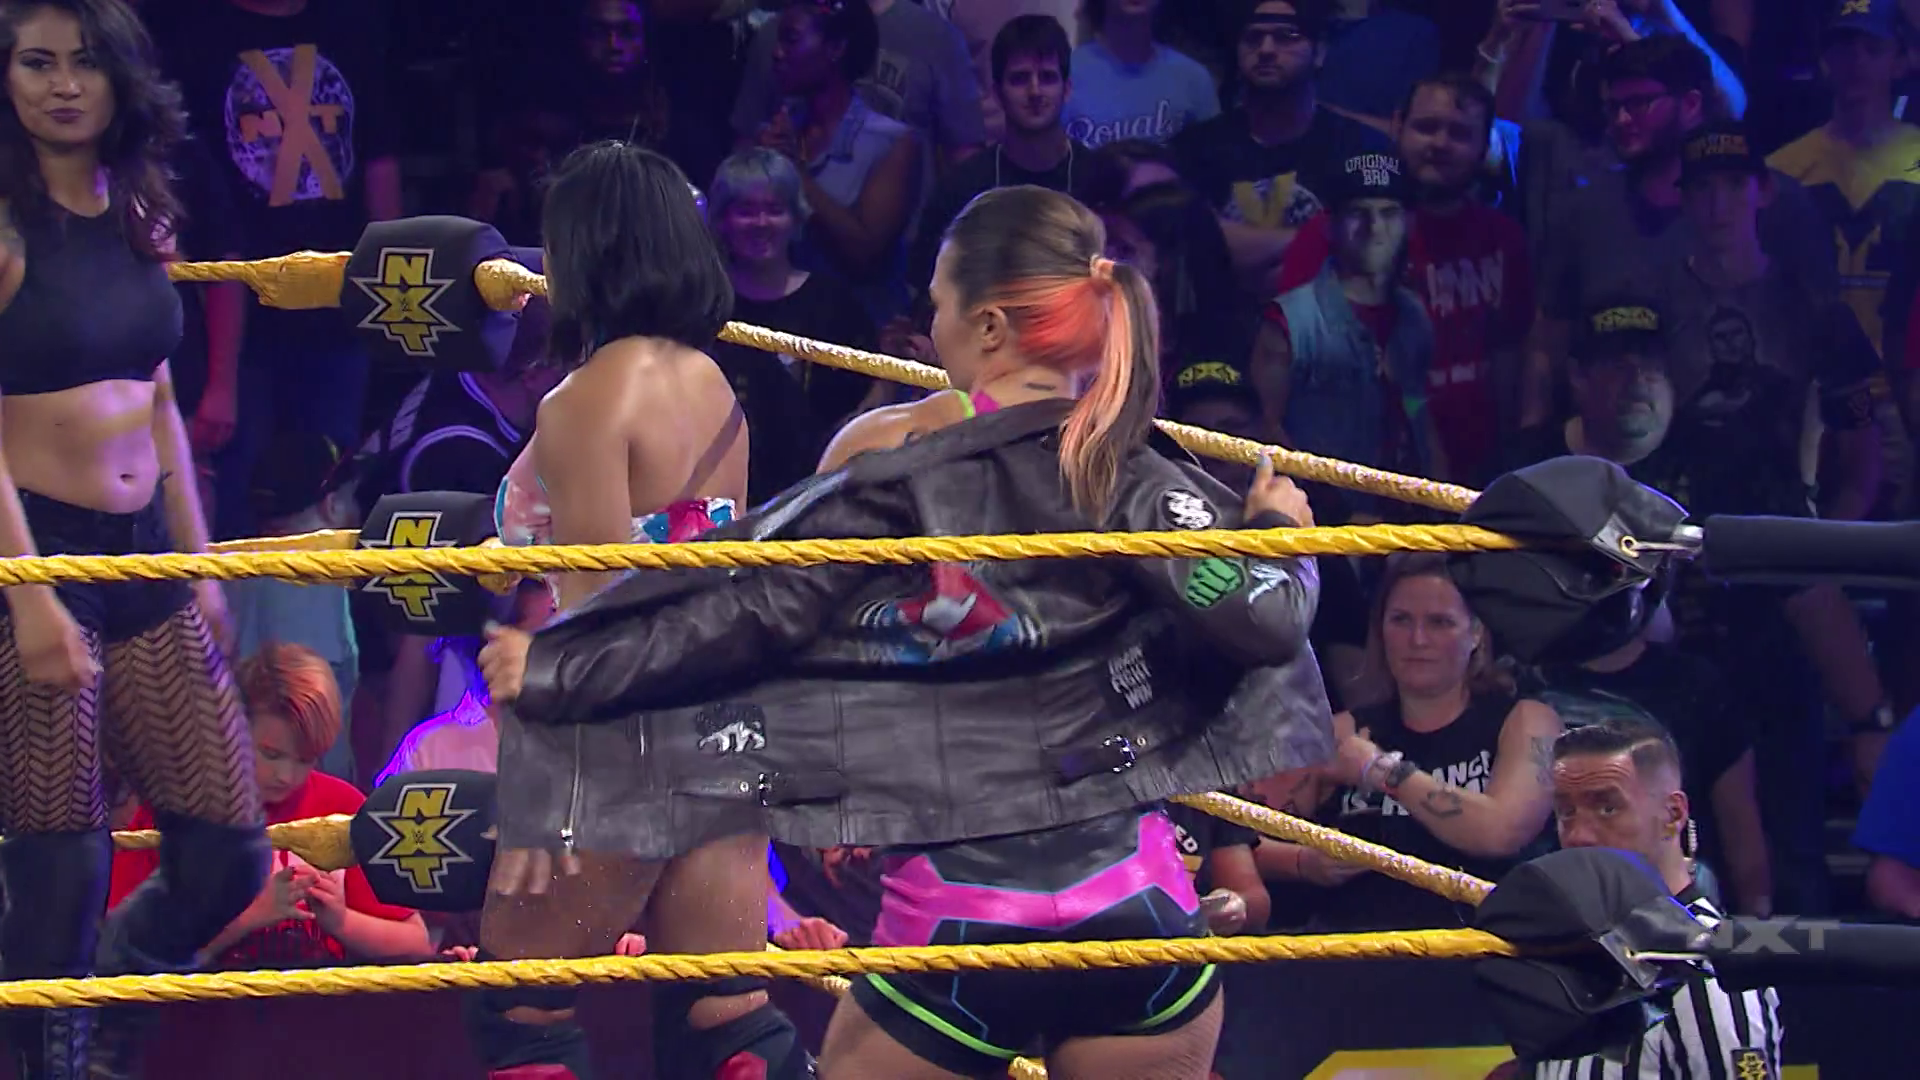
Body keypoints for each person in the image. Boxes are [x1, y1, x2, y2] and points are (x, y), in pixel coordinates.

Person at [478, 184, 1335, 1080]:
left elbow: (751, 620)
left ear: (990, 325)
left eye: (939, 303)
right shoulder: (1142, 477)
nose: (930, 327)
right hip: (1138, 915)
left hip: (966, 919)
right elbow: (1268, 618)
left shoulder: (884, 465)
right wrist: (1281, 537)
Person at [473, 140, 789, 1080]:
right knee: (726, 1020)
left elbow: (598, 613)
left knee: (519, 1006)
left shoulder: (585, 402)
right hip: (726, 722)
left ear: (585, 250)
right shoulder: (711, 381)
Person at [0, 2, 269, 1075]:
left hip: (145, 546)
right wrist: (27, 593)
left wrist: (196, 561)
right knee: (58, 868)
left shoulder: (140, 207)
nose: (62, 85)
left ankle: (109, 1005)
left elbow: (158, 393)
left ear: (121, 79)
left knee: (230, 855)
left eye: (84, 63)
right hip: (37, 549)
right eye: (36, 63)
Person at [1260, 553, 1562, 932]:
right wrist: (1303, 863)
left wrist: (1381, 770)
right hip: (1354, 944)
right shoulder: (1343, 733)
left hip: (1476, 945)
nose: (1417, 640)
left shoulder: (1526, 722)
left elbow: (1501, 832)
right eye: (1401, 620)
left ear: (1476, 634)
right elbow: (1230, 838)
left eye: (1439, 622)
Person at [107, 644, 429, 969]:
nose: (285, 775)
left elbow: (416, 942)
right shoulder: (177, 808)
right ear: (231, 728)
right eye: (271, 754)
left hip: (320, 995)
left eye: (305, 760)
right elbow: (121, 953)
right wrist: (249, 916)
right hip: (210, 997)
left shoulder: (343, 807)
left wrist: (342, 921)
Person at [1535, 716, 1783, 1079]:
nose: (1578, 836)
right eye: (1566, 812)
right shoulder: (1573, 954)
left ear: (1673, 814)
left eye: (1607, 808)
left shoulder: (1712, 970)